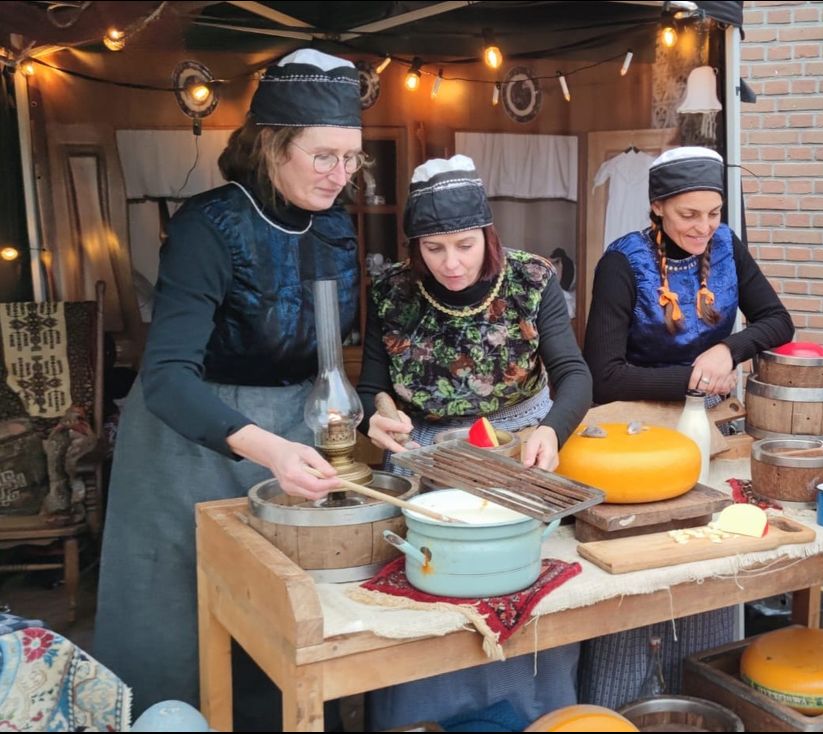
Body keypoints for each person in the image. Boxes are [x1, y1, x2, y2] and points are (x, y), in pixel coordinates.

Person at [94, 49, 364, 728]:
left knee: (281, 614)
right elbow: (165, 378)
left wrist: (366, 407)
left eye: (353, 158)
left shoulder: (333, 228)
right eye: (325, 157)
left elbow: (337, 347)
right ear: (272, 144)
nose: (342, 176)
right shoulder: (207, 228)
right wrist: (268, 449)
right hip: (190, 443)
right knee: (181, 626)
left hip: (293, 437)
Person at [359, 155, 592, 728]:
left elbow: (576, 374)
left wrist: (550, 430)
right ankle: (422, 719)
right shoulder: (390, 290)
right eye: (433, 249)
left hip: (519, 444)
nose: (451, 263)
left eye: (464, 245)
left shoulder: (531, 279)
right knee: (436, 587)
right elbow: (372, 385)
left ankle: (540, 714)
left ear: (487, 235)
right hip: (424, 450)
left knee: (520, 578)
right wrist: (380, 414)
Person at [578, 146, 794, 707]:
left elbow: (777, 320)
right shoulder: (621, 264)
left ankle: (701, 701)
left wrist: (728, 348)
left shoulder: (727, 246)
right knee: (641, 580)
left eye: (713, 212)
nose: (703, 227)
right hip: (635, 438)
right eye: (687, 215)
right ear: (657, 208)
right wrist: (693, 378)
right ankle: (619, 705)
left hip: (713, 432)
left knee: (710, 565)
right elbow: (603, 375)